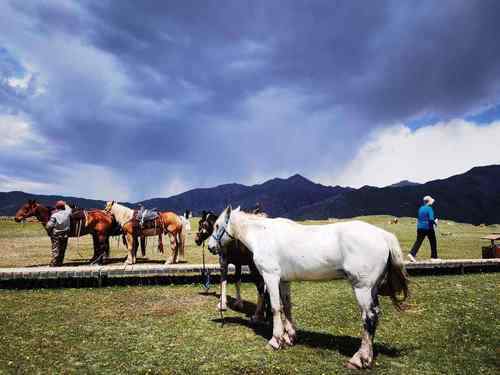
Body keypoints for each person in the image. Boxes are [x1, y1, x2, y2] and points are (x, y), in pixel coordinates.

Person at [408, 195, 440, 262]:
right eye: (431, 201)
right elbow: (431, 219)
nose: (432, 202)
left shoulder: (421, 208)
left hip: (419, 227)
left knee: (418, 241)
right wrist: (435, 222)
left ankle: (412, 254)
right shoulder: (429, 208)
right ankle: (434, 257)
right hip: (428, 228)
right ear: (429, 202)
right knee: (433, 241)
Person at [46, 200, 72, 267]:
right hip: (65, 234)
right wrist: (65, 204)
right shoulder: (68, 213)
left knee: (56, 248)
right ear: (63, 207)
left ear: (57, 208)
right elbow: (69, 209)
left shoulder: (54, 215)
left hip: (56, 235)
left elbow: (49, 226)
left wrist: (49, 231)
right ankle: (60, 262)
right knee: (63, 249)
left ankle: (54, 263)